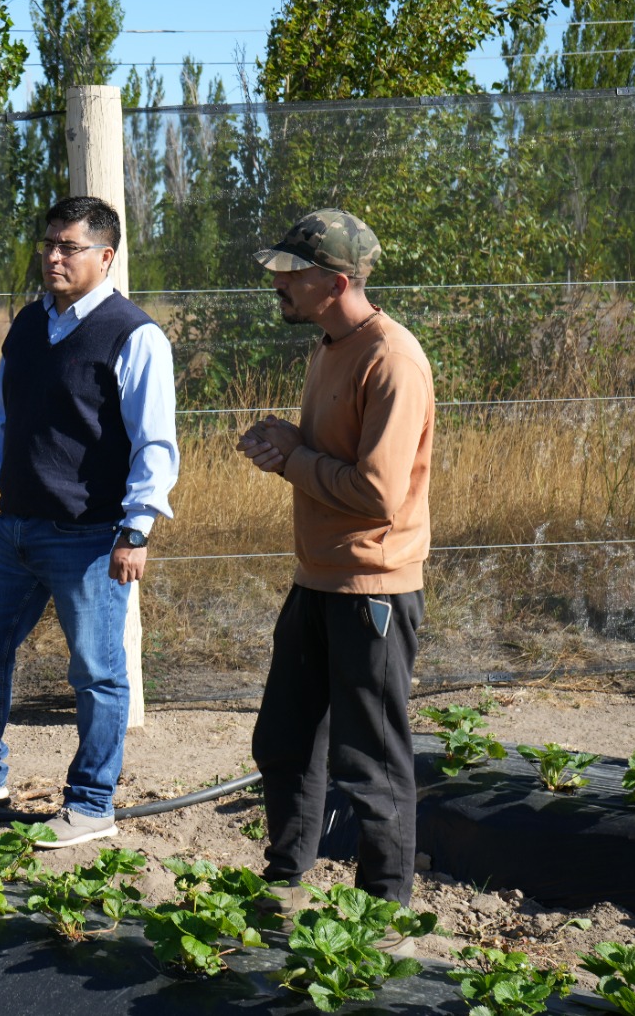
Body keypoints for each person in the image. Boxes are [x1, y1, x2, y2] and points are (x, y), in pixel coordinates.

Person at [0, 195, 180, 849]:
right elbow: (3, 414)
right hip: (15, 529)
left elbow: (155, 444)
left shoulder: (134, 336)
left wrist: (137, 529)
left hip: (90, 538)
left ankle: (90, 805)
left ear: (105, 257)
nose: (53, 257)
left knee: (97, 672)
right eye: (48, 245)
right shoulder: (30, 324)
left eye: (69, 247)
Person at [235, 209, 434, 938]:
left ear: (337, 282)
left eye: (293, 272)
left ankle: (383, 917)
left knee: (370, 761)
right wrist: (288, 442)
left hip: (372, 589)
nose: (278, 282)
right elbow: (335, 459)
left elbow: (378, 494)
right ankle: (286, 883)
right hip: (317, 579)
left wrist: (293, 459)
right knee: (284, 741)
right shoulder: (329, 346)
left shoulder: (393, 359)